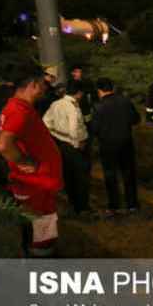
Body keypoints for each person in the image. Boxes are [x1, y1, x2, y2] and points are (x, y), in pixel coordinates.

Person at [0, 69, 63, 256]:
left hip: (33, 182)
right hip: (36, 183)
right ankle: (42, 262)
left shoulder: (16, 107)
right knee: (41, 224)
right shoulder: (19, 111)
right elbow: (2, 144)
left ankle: (32, 253)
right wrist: (23, 161)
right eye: (42, 84)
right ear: (33, 84)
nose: (44, 88)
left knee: (31, 222)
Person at [91, 78, 140, 217]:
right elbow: (136, 119)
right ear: (112, 88)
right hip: (126, 143)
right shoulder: (125, 101)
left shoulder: (98, 106)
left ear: (99, 91)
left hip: (107, 145)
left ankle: (114, 206)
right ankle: (132, 204)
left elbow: (94, 128)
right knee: (128, 174)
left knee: (110, 175)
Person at [43, 80, 92, 218]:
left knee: (68, 175)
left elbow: (45, 122)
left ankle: (73, 204)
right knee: (82, 176)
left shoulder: (56, 104)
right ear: (79, 93)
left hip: (61, 144)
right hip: (75, 145)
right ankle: (83, 208)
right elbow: (73, 129)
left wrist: (57, 135)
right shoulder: (73, 107)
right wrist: (77, 143)